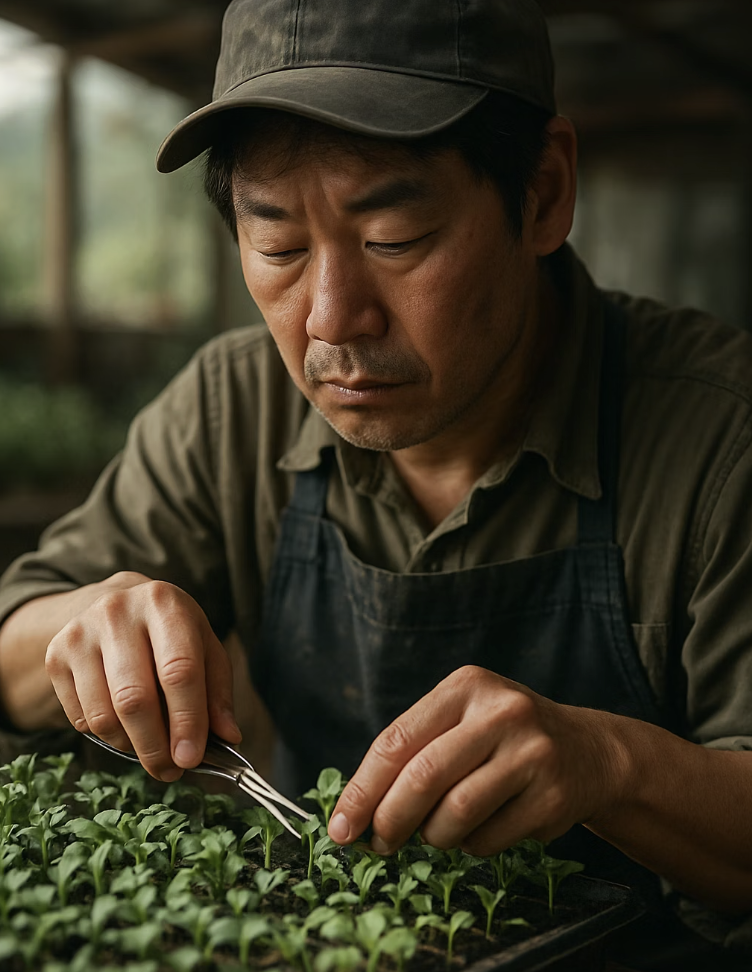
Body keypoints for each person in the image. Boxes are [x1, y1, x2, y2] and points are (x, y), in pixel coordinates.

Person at [1, 0, 752, 964]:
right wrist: (78, 627)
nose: (330, 318)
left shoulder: (721, 435)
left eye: (394, 238)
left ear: (543, 193)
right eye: (278, 245)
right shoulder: (232, 408)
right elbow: (15, 643)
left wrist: (610, 764)